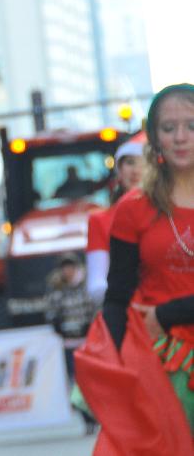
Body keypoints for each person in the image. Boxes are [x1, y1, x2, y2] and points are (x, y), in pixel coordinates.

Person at [100, 83, 194, 430]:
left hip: (163, 324)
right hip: (160, 364)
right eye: (169, 128)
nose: (181, 137)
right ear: (155, 139)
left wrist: (168, 313)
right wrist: (112, 361)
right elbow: (117, 297)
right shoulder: (133, 208)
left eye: (192, 126)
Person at [85, 133, 145, 303]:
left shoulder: (168, 214)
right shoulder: (99, 221)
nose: (136, 171)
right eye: (130, 162)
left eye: (144, 162)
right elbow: (96, 283)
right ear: (119, 168)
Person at [45, 252, 96, 380]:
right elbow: (51, 312)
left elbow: (94, 308)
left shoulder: (87, 285)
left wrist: (89, 326)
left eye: (70, 266)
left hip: (86, 340)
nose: (67, 270)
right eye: (64, 267)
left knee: (89, 373)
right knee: (73, 376)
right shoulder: (56, 289)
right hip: (68, 342)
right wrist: (58, 327)